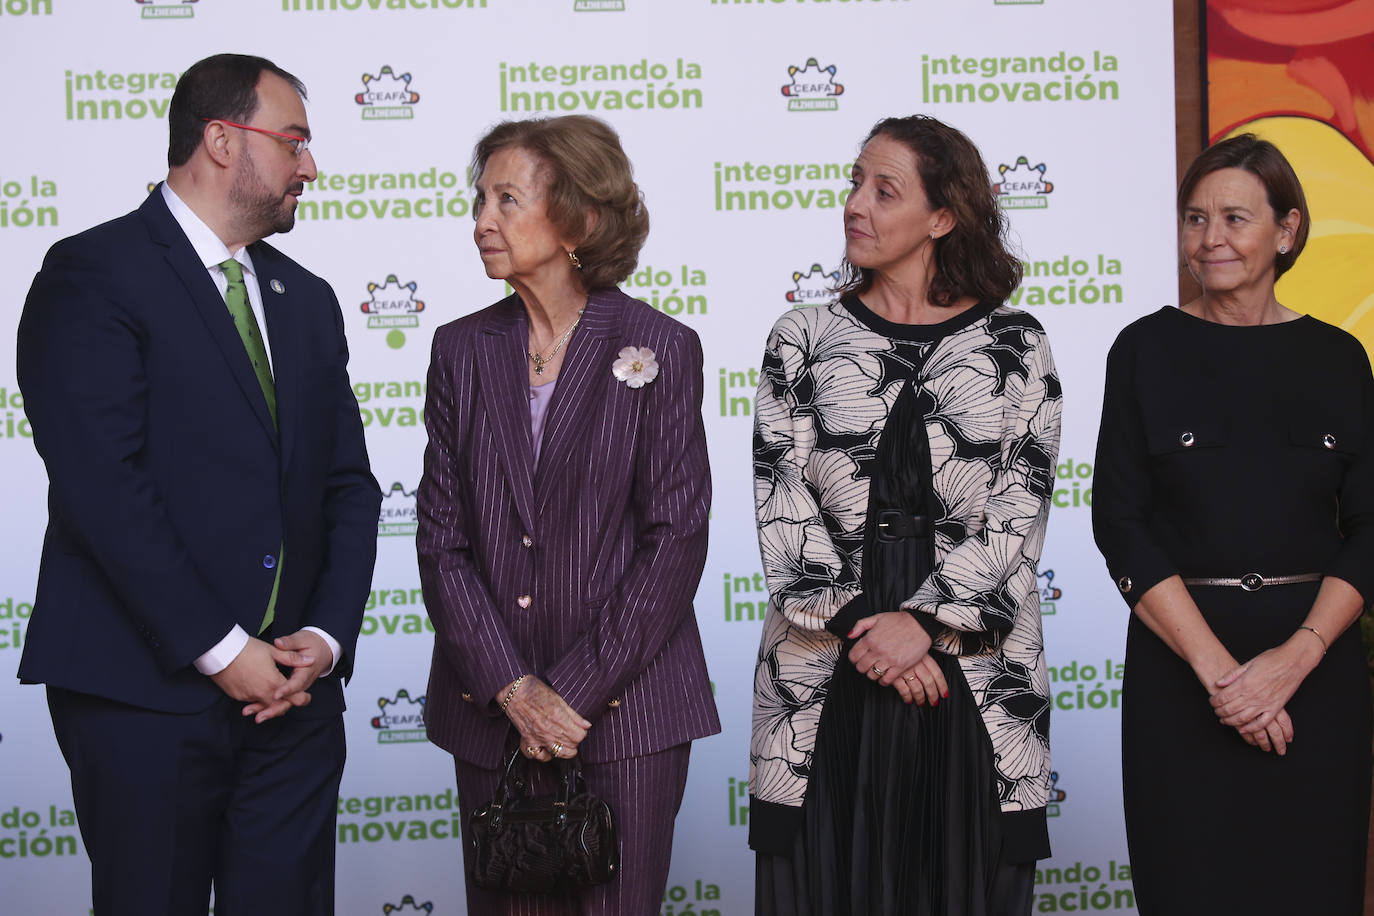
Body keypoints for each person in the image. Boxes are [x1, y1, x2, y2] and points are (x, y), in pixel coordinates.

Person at [15, 54, 381, 915]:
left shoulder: (308, 299)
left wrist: (322, 641)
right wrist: (222, 651)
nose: (310, 167)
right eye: (294, 141)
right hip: (141, 697)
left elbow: (348, 489)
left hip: (294, 704)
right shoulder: (91, 273)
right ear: (220, 139)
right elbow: (105, 490)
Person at [749, 114, 1062, 916]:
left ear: (942, 216)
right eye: (855, 183)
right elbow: (781, 499)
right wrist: (869, 627)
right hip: (829, 658)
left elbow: (1017, 513)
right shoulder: (802, 339)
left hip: (972, 668)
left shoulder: (1015, 343)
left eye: (883, 190)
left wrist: (924, 625)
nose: (856, 203)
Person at [417, 114, 720, 915]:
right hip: (492, 714)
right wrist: (514, 691)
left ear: (579, 219)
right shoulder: (459, 349)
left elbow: (676, 540)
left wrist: (573, 693)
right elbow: (441, 542)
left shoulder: (660, 346)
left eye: (507, 200)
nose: (482, 220)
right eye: (480, 199)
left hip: (627, 720)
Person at [1092, 134, 1373, 914]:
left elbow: (1371, 528)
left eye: (1234, 218)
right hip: (1181, 681)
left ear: (1286, 230)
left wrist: (1292, 662)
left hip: (1317, 683)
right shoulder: (1144, 350)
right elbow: (1120, 524)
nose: (1210, 238)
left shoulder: (1340, 358)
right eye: (1194, 218)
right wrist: (1226, 679)